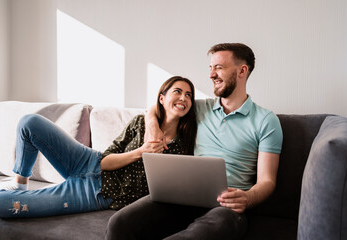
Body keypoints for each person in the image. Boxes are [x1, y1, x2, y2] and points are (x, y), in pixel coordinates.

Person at [105, 43, 283, 240]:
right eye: (210, 68)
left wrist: (247, 198)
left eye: (219, 67)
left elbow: (267, 181)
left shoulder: (266, 120)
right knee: (119, 224)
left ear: (242, 71)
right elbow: (159, 105)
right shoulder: (199, 108)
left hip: (227, 208)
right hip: (182, 198)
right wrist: (152, 126)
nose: (211, 75)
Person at [0, 76, 197, 218]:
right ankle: (20, 183)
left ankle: (19, 193)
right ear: (162, 98)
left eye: (189, 95)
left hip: (95, 194)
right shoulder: (141, 123)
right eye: (177, 91)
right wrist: (141, 152)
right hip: (88, 160)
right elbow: (105, 161)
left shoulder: (182, 146)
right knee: (29, 123)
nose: (183, 98)